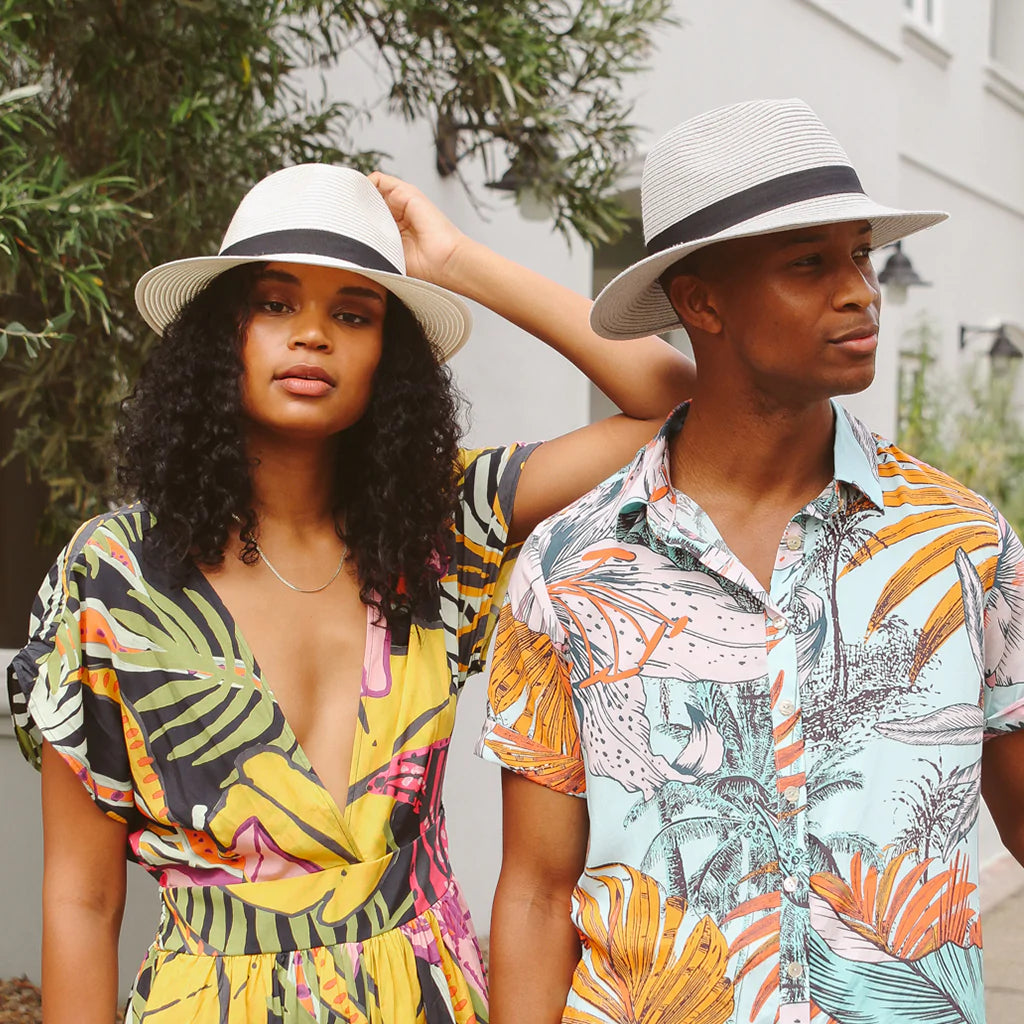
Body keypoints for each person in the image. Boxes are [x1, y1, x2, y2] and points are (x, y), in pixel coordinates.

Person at [6, 163, 695, 1024]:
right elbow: (82, 899)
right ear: (220, 336)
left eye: (354, 314)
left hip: (427, 1000)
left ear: (389, 357)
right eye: (274, 304)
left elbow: (676, 406)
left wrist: (457, 265)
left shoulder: (440, 529)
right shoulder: (115, 576)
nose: (312, 336)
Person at [479, 97, 1024, 1024]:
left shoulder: (963, 546)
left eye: (862, 254)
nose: (860, 291)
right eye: (810, 263)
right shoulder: (568, 569)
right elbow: (536, 892)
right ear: (702, 301)